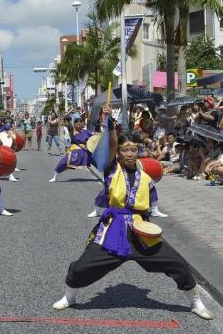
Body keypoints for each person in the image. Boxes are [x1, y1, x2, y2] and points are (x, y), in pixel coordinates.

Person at [52, 104, 213, 320]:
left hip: (141, 230)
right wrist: (108, 122)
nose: (129, 154)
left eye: (133, 149)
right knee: (82, 267)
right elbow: (110, 145)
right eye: (124, 150)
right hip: (114, 229)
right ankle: (69, 297)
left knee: (177, 264)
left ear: (138, 151)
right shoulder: (111, 168)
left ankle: (195, 302)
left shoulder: (143, 172)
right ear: (118, 153)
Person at [49, 118, 94, 183]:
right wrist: (67, 121)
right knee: (64, 161)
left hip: (85, 151)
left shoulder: (86, 132)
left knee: (96, 161)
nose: (77, 126)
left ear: (82, 124)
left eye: (79, 124)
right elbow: (70, 127)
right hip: (75, 151)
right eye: (76, 125)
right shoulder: (73, 131)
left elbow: (95, 135)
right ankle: (54, 176)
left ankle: (104, 176)